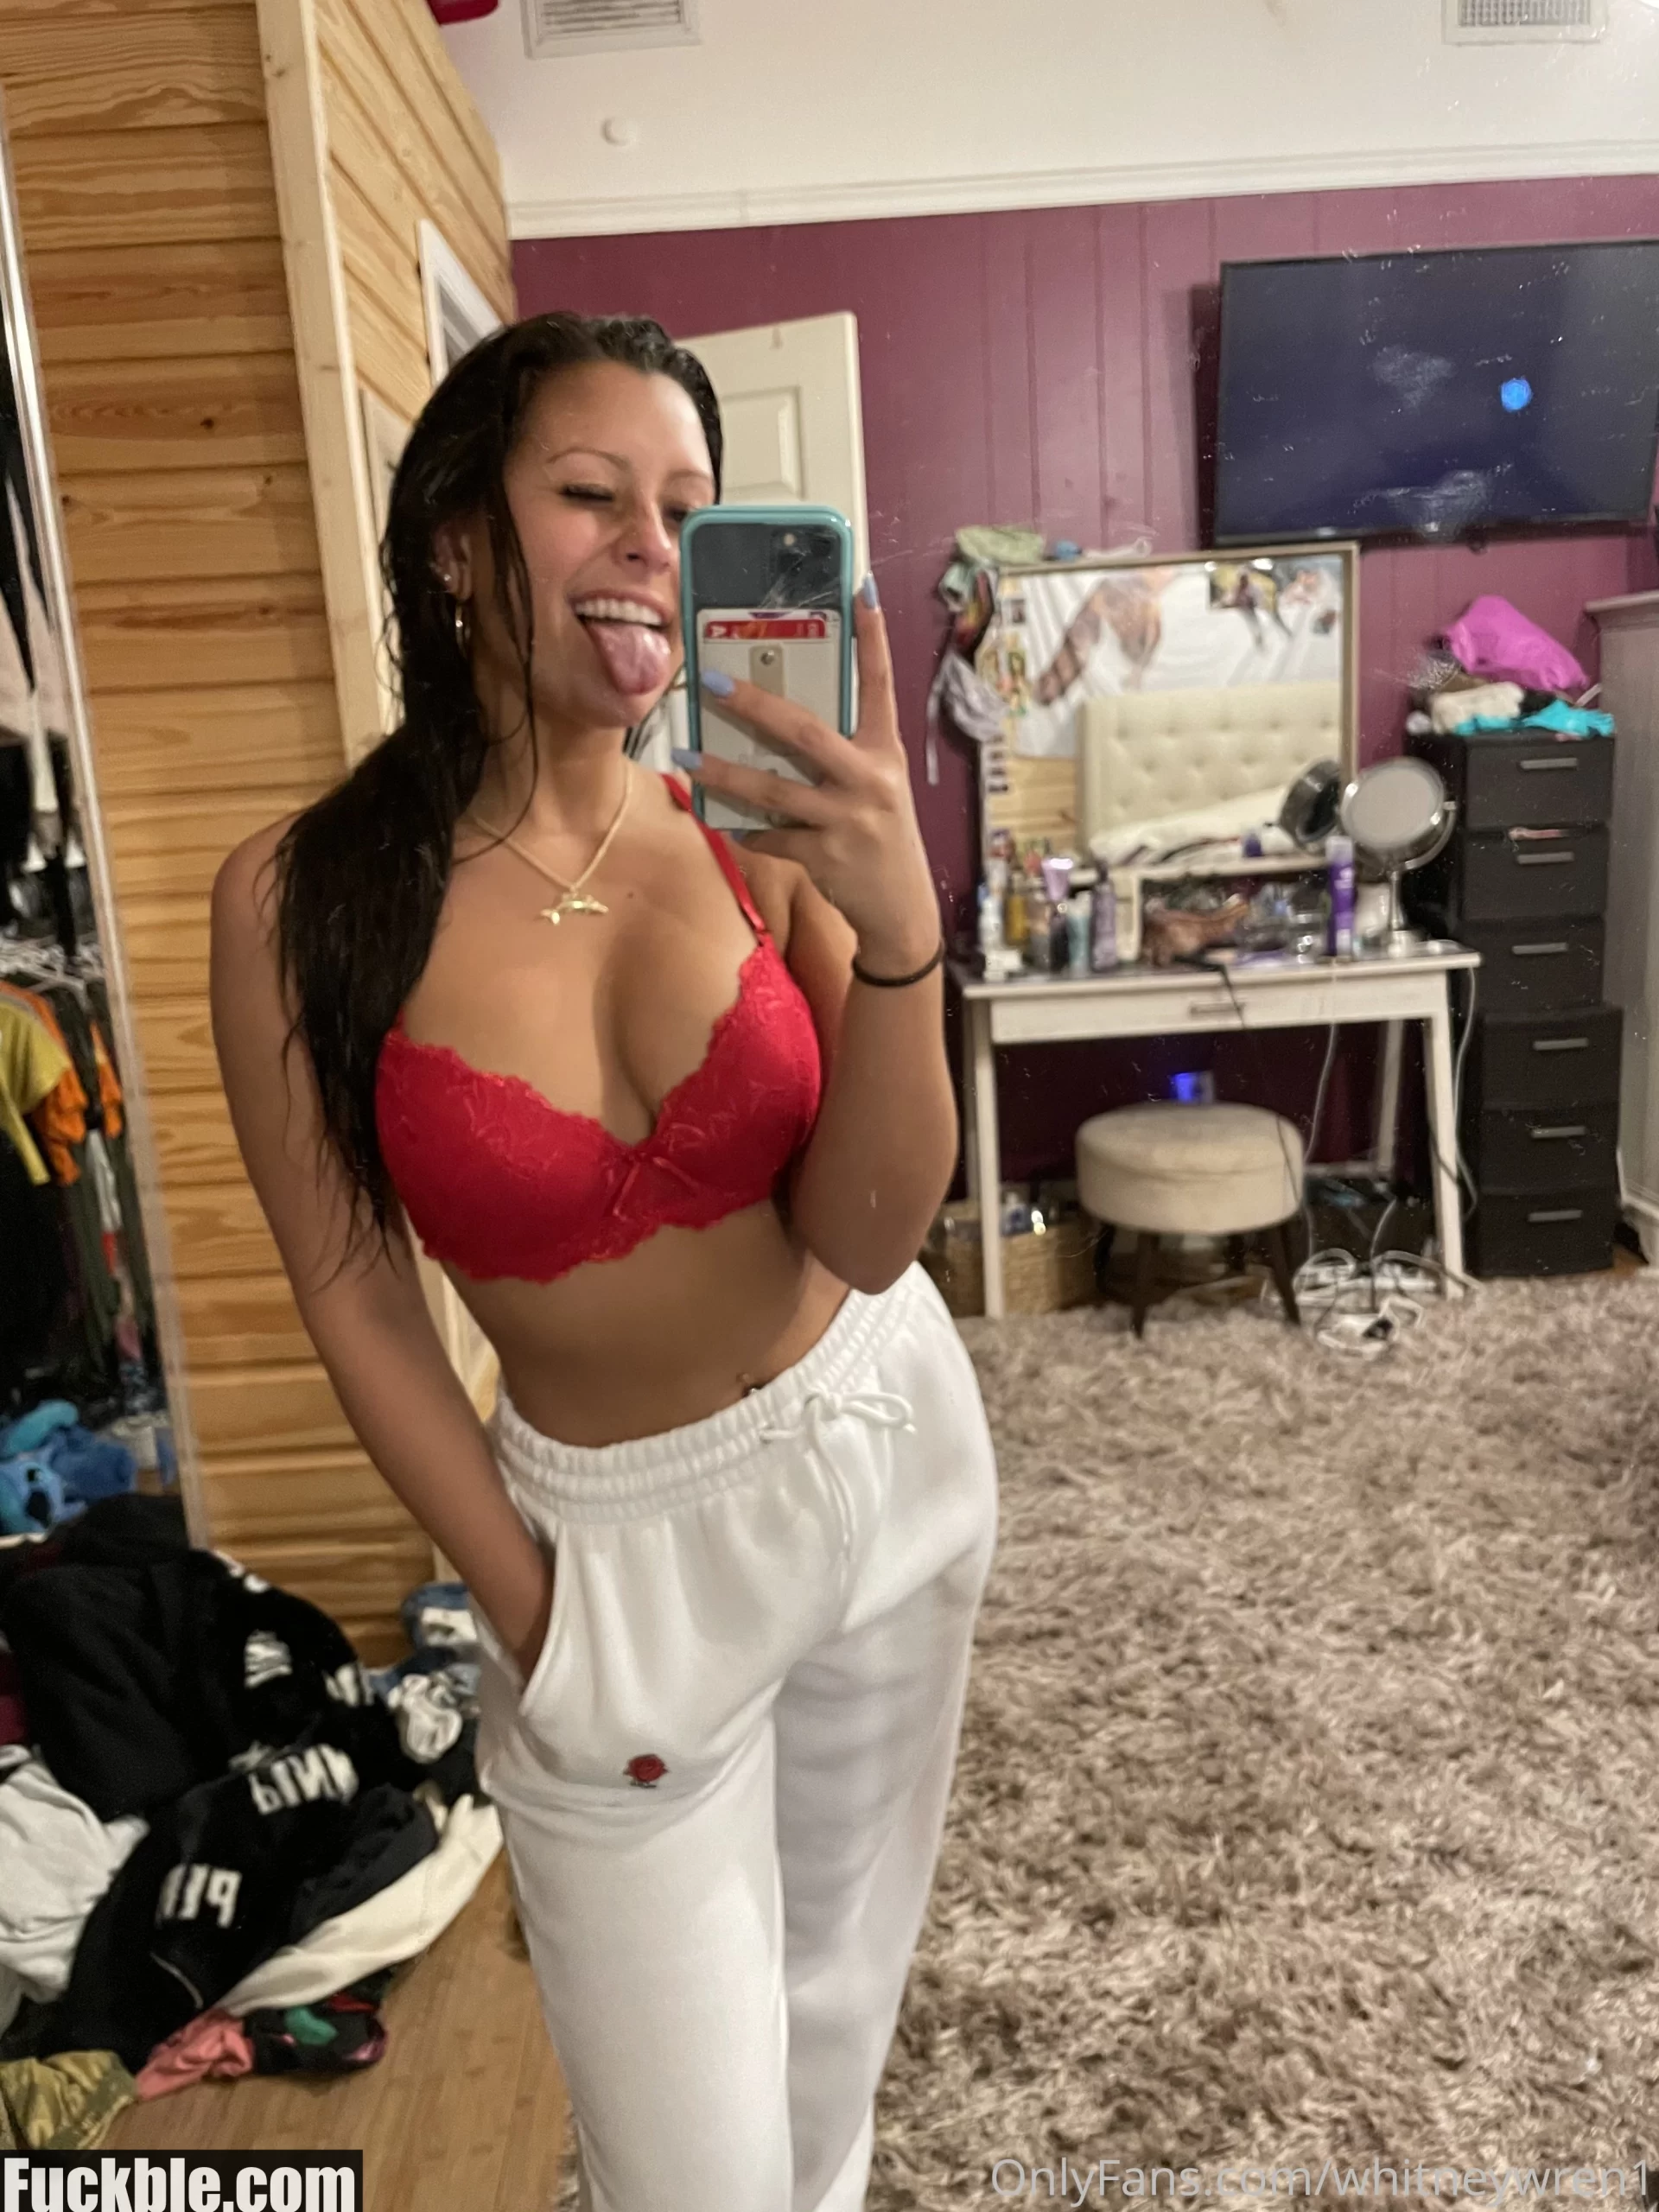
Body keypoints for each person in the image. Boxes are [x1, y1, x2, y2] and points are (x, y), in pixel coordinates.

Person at [209, 312, 999, 2212]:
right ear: (456, 538)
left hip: (882, 1444)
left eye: (686, 506)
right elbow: (352, 1290)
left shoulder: (758, 821)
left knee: (831, 2037)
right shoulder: (303, 899)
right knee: (689, 2170)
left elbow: (873, 1231)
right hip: (612, 1563)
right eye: (589, 492)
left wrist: (901, 928)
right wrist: (532, 1609)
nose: (651, 544)